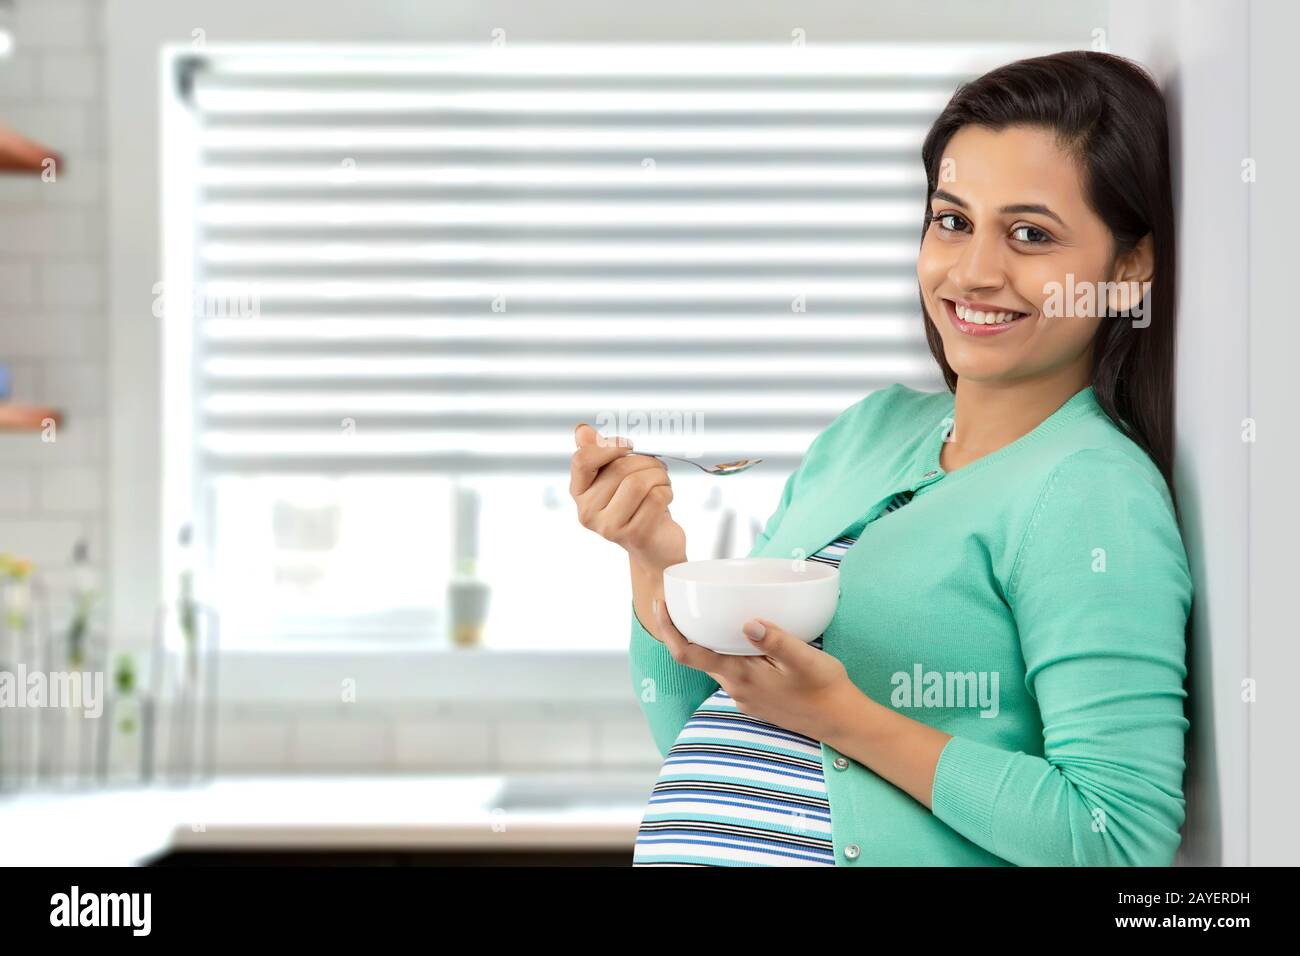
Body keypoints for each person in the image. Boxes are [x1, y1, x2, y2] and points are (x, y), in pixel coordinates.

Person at [570, 50, 1191, 866]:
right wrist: (654, 558)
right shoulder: (868, 432)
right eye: (953, 221)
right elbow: (699, 724)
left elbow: (1118, 833)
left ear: (1128, 267)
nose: (974, 272)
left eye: (1030, 234)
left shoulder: (1091, 490)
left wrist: (845, 717)